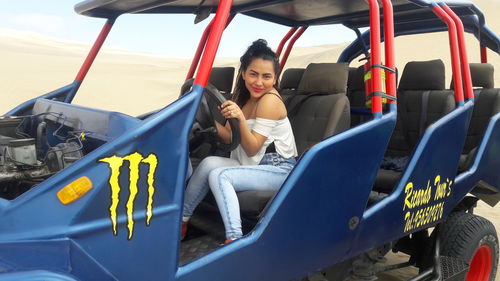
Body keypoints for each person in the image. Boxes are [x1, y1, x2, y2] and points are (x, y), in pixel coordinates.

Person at [182, 39, 298, 243]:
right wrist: (206, 121)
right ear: (243, 73)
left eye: (266, 76)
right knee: (209, 163)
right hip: (251, 163)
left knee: (220, 176)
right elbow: (228, 136)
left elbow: (253, 148)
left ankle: (234, 238)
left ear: (275, 78)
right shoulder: (242, 99)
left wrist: (240, 119)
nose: (259, 82)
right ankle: (181, 221)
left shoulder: (270, 100)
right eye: (253, 74)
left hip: (279, 168)